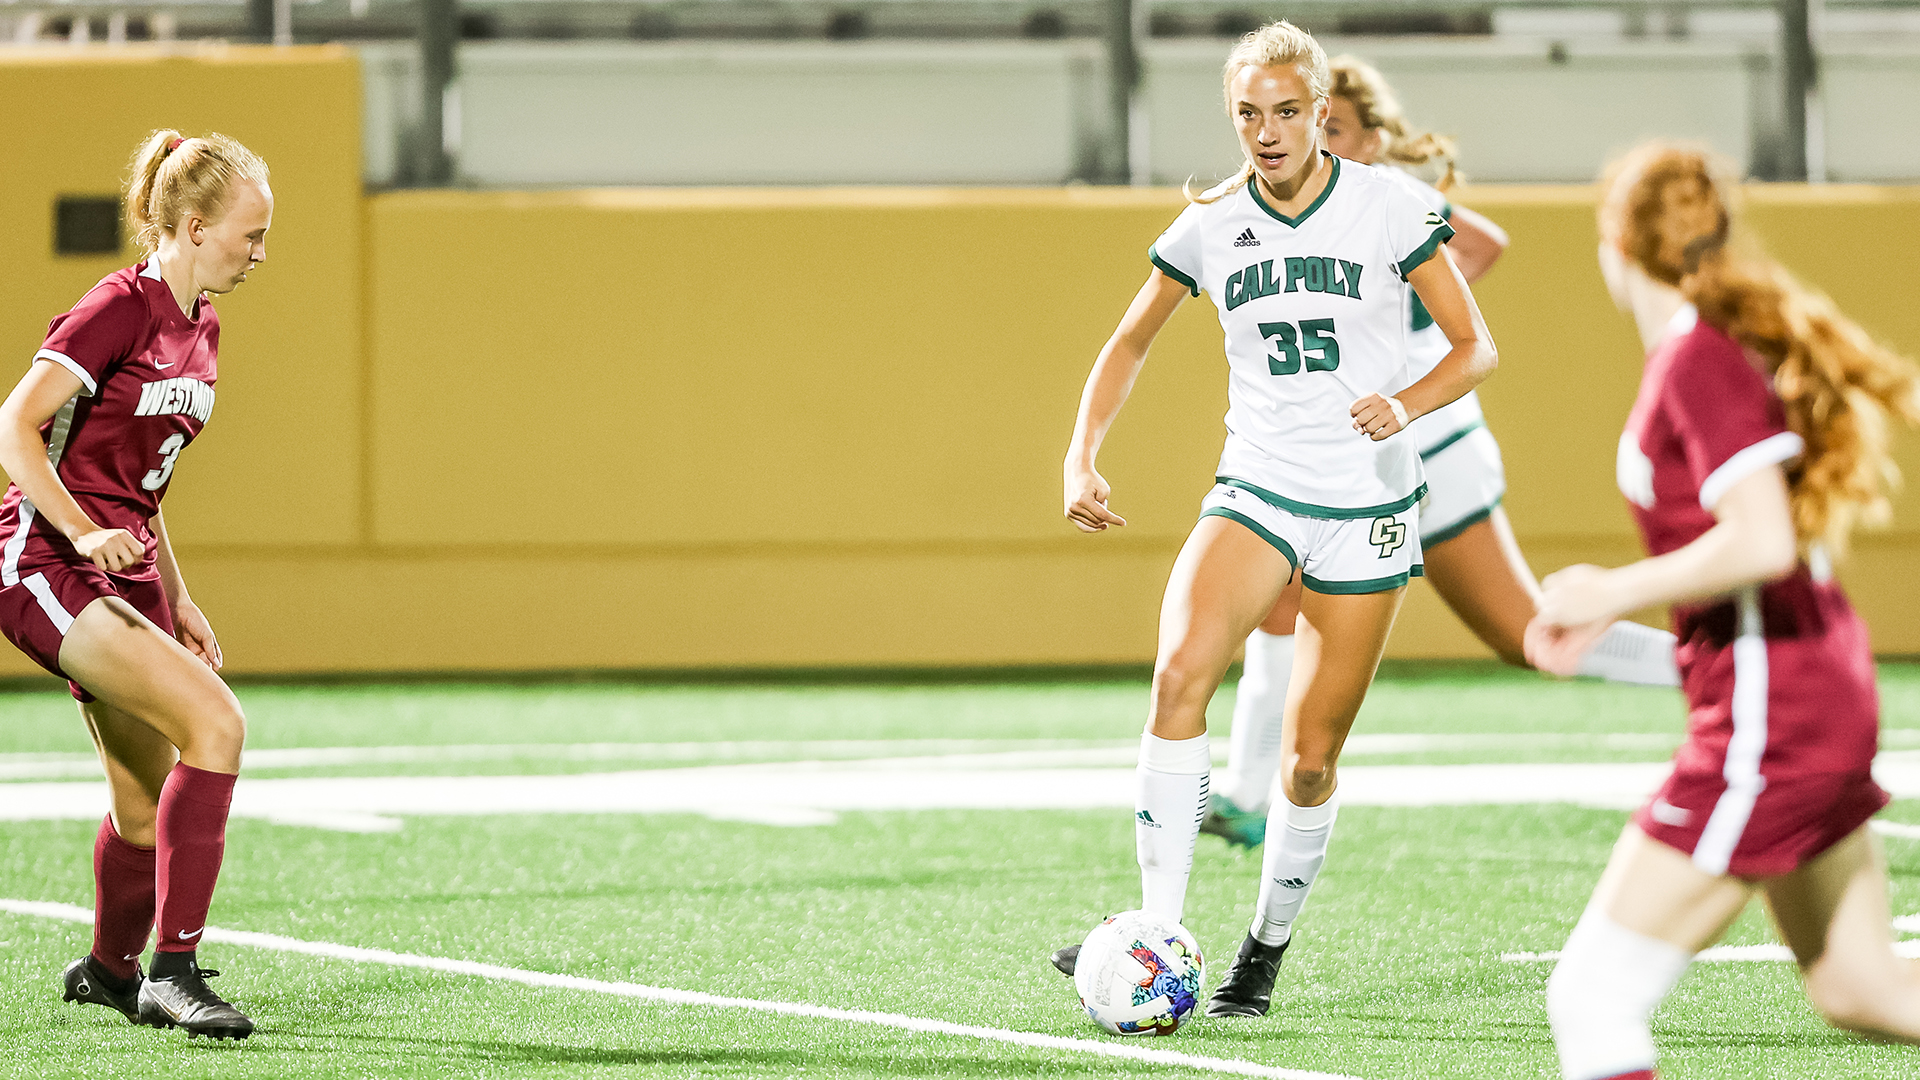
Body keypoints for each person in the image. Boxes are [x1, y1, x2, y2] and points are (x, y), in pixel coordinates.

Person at [1054, 21, 1497, 1018]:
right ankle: (1161, 937)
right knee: (1176, 679)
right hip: (1256, 485)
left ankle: (1264, 950)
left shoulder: (1388, 207)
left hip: (1369, 505)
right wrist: (1082, 454)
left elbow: (1475, 348)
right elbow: (1128, 343)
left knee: (1308, 759)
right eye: (1248, 114)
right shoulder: (1210, 223)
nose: (1267, 131)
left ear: (1321, 115)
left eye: (1287, 112)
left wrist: (1407, 403)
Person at [1203, 55, 1681, 851]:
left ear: (1369, 138)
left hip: (1430, 447)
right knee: (1282, 600)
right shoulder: (1306, 207)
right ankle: (1248, 795)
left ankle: (1719, 677)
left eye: (1327, 124)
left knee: (1533, 636)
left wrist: (1408, 319)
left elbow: (1485, 242)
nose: (1304, 136)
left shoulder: (1381, 199)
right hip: (1358, 457)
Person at [1529, 143, 1920, 1080]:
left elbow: (1762, 542)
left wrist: (1605, 591)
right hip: (1805, 687)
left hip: (1776, 712)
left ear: (1616, 245)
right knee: (1864, 989)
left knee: (1591, 999)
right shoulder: (1711, 347)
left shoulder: (1694, 360)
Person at [0, 129, 272, 1040]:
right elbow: (14, 428)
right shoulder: (118, 304)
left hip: (130, 566)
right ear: (194, 226)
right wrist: (80, 531)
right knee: (218, 724)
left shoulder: (205, 326)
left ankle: (113, 972)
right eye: (248, 233)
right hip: (45, 562)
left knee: (143, 797)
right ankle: (175, 970)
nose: (258, 252)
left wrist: (181, 596)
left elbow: (143, 484)